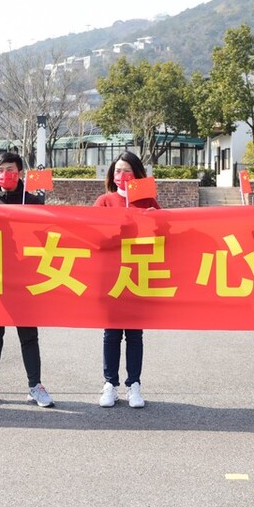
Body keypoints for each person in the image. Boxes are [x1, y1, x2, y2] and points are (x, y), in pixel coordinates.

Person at [0, 151, 54, 408]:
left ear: (21, 172)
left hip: (26, 280)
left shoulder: (34, 201)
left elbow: (49, 236)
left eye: (11, 170)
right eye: (0, 170)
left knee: (28, 334)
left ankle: (35, 386)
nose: (5, 175)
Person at [93, 151, 159, 409]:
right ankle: (110, 383)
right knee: (111, 334)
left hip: (138, 273)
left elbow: (165, 235)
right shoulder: (104, 201)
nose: (122, 176)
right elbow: (91, 235)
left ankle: (134, 384)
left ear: (138, 175)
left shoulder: (147, 201)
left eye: (128, 171)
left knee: (134, 334)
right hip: (110, 275)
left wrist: (157, 220)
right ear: (112, 175)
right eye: (118, 171)